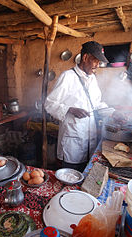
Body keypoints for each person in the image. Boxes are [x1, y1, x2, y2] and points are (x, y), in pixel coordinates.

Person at [44, 41, 109, 172]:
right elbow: (49, 103)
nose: (97, 65)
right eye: (95, 61)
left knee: (85, 174)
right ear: (85, 58)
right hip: (73, 142)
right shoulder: (67, 77)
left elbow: (97, 103)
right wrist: (70, 109)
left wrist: (113, 112)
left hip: (90, 141)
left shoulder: (92, 79)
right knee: (71, 175)